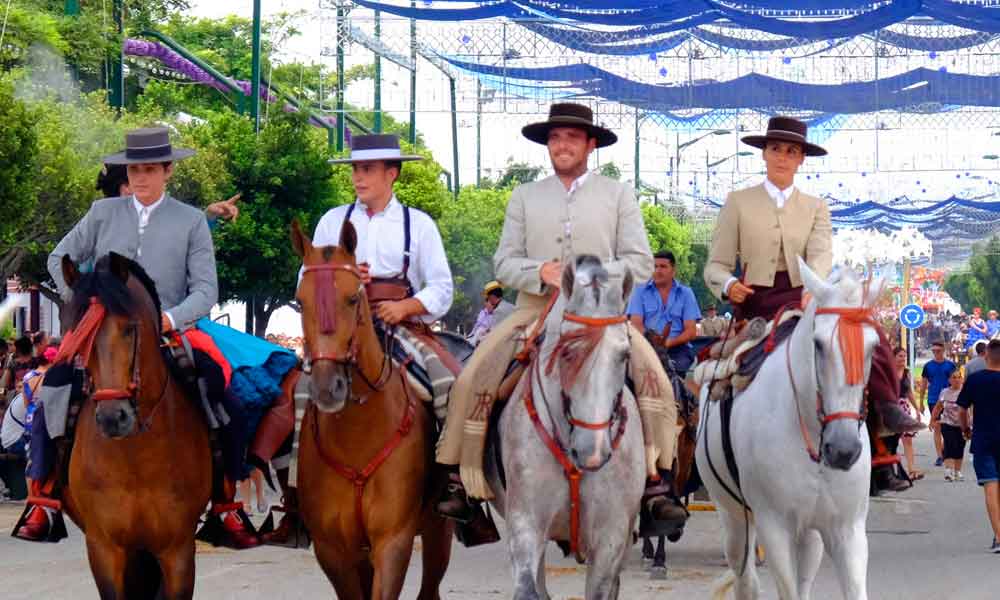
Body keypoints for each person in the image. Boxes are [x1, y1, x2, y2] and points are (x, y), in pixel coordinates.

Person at [435, 102, 687, 527]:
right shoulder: (525, 196)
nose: (561, 145)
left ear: (590, 144)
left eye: (571, 137)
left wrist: (593, 278)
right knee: (470, 379)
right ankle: (463, 479)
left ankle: (655, 484)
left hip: (602, 315)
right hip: (532, 312)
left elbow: (640, 261)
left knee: (656, 383)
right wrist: (541, 272)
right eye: (554, 138)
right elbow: (505, 262)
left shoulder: (618, 194)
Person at [14, 127, 257, 547]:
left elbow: (205, 290)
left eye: (149, 169)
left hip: (170, 330)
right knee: (53, 387)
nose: (140, 177)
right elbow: (60, 258)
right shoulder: (102, 212)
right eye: (134, 169)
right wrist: (85, 306)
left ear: (167, 171)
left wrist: (169, 318)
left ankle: (225, 501)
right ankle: (44, 495)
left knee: (220, 393)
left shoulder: (191, 221)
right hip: (102, 328)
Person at [702, 115, 919, 441]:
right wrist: (729, 285)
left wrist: (812, 288)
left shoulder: (816, 207)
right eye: (775, 149)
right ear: (763, 154)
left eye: (791, 151)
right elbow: (715, 265)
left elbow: (820, 255)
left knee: (866, 330)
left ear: (801, 159)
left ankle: (888, 409)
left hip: (804, 297)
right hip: (755, 303)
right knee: (715, 367)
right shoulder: (738, 202)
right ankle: (710, 435)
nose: (782, 157)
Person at [627, 250, 701, 377]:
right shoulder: (639, 292)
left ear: (673, 270)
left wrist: (668, 343)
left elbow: (691, 331)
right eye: (654, 267)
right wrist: (653, 342)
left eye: (663, 266)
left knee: (673, 376)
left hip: (677, 349)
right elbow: (636, 325)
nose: (657, 271)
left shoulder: (686, 293)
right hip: (646, 346)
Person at [957, 339, 1000, 553]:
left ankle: (999, 537)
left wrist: (965, 429)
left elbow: (962, 410)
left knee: (991, 487)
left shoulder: (974, 380)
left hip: (983, 440)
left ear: (985, 356)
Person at [919, 340, 957, 467]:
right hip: (933, 399)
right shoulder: (928, 366)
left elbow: (956, 381)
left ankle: (946, 451)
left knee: (947, 428)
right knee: (937, 427)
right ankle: (940, 456)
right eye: (934, 351)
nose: (936, 353)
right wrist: (921, 402)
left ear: (943, 351)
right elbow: (923, 384)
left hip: (948, 400)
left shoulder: (950, 365)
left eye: (938, 351)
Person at [931, 370, 967, 482]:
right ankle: (948, 470)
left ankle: (957, 471)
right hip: (947, 423)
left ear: (962, 379)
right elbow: (938, 407)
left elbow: (972, 408)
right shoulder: (944, 392)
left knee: (960, 446)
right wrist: (932, 420)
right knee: (949, 444)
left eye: (958, 377)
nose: (956, 380)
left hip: (962, 424)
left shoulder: (966, 392)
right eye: (954, 377)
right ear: (949, 380)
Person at [894, 346, 923, 480]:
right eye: (900, 356)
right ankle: (893, 470)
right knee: (891, 441)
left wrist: (916, 409)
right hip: (892, 407)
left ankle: (912, 469)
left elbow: (909, 392)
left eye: (904, 356)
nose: (903, 358)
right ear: (893, 357)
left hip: (904, 407)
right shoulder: (889, 372)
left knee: (908, 439)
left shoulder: (907, 372)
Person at [468, 281, 515, 347]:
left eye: (488, 297)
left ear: (492, 296)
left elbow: (494, 335)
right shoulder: (509, 306)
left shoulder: (499, 311)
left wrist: (479, 340)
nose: (488, 299)